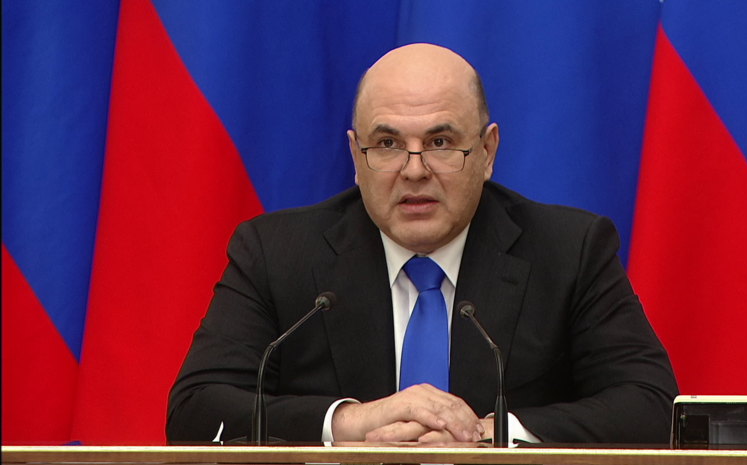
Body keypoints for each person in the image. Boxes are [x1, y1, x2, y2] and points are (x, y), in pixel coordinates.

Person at [166, 43, 679, 444]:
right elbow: (195, 410)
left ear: (487, 151)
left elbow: (652, 407)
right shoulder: (276, 254)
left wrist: (486, 434)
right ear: (356, 155)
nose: (414, 171)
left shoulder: (569, 251)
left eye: (440, 142)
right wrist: (350, 423)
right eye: (388, 144)